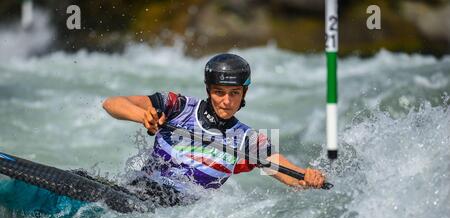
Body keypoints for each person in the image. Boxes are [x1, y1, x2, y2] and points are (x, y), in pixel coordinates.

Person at [102, 53, 326, 207]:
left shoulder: (248, 140)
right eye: (219, 92)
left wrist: (308, 178)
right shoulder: (177, 107)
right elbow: (111, 103)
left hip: (175, 216)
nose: (227, 101)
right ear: (208, 90)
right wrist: (143, 116)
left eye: (234, 93)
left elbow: (291, 176)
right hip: (136, 192)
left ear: (244, 94)